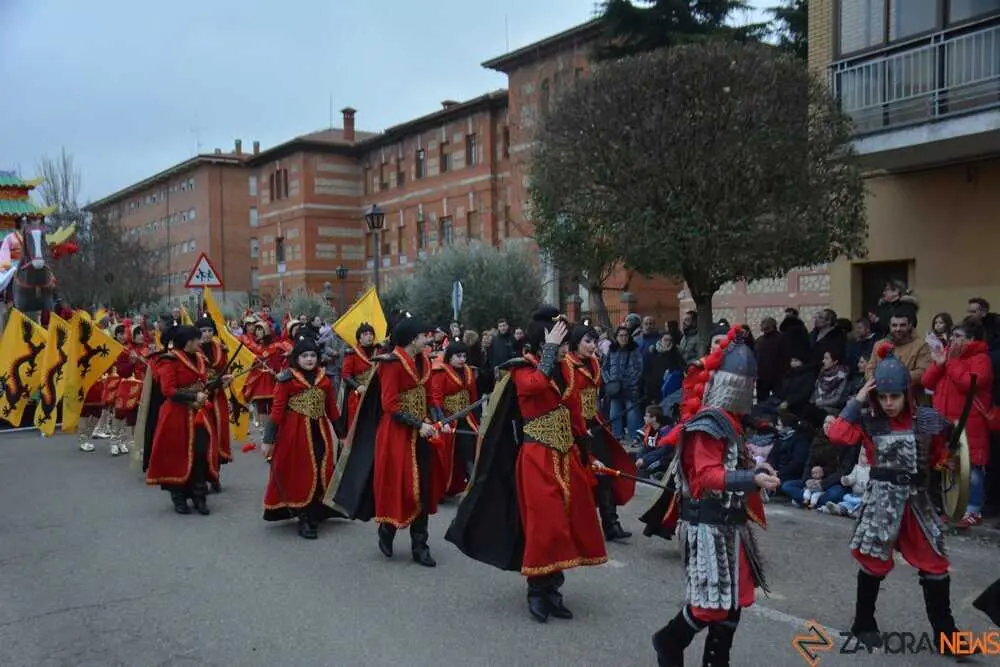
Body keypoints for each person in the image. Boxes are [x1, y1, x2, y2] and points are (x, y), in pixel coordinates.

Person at [447, 307, 608, 623]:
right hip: (537, 457)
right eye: (559, 342)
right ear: (543, 342)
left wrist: (586, 448)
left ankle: (554, 589)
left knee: (568, 523)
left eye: (564, 343)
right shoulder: (521, 368)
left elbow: (573, 409)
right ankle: (537, 589)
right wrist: (549, 349)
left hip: (565, 455)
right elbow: (533, 386)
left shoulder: (566, 368)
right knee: (545, 525)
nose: (565, 348)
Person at [826, 343, 969, 654]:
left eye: (895, 396)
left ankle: (947, 637)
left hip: (917, 502)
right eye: (883, 397)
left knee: (935, 565)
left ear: (907, 392)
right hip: (882, 502)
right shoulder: (868, 418)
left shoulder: (927, 419)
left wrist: (949, 463)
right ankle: (863, 624)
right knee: (873, 562)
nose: (889, 403)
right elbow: (837, 435)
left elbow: (944, 455)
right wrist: (859, 397)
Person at [652, 326, 778, 667]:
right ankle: (668, 641)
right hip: (708, 525)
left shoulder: (731, 421)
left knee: (735, 598)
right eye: (743, 382)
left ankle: (716, 660)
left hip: (731, 525)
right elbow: (707, 476)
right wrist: (751, 478)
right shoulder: (709, 424)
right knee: (709, 604)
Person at [369, 317, 438, 567]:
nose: (427, 339)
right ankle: (387, 530)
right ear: (412, 339)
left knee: (424, 487)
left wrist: (438, 418)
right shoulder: (392, 364)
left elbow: (429, 395)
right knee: (401, 486)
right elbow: (390, 405)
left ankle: (420, 544)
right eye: (423, 336)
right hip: (397, 434)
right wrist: (419, 424)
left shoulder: (425, 361)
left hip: (422, 432)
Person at [143, 325, 230, 515]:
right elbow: (168, 391)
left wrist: (218, 383)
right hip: (176, 415)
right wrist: (193, 397)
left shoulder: (200, 358)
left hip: (199, 415)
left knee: (200, 453)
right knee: (178, 455)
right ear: (188, 342)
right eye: (197, 339)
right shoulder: (169, 360)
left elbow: (202, 385)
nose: (201, 342)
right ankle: (179, 497)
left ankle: (199, 496)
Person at [262, 337, 342, 539]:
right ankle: (304, 517)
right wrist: (268, 440)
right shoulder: (286, 379)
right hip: (295, 433)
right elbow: (277, 411)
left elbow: (331, 408)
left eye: (313, 355)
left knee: (321, 466)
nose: (309, 359)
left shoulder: (324, 378)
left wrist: (342, 434)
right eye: (304, 356)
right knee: (302, 471)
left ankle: (318, 509)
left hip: (320, 431)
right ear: (296, 358)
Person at [562, 323, 635, 541]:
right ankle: (574, 525)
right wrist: (579, 429)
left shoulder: (594, 362)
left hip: (595, 424)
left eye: (594, 341)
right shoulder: (566, 365)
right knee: (578, 479)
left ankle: (611, 524)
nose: (593, 346)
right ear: (576, 342)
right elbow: (566, 401)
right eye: (588, 341)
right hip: (574, 429)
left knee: (606, 473)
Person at [429, 341, 479, 497]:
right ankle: (442, 489)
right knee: (446, 456)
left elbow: (474, 397)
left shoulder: (469, 372)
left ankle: (472, 486)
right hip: (448, 419)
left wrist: (476, 418)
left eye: (464, 356)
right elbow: (436, 398)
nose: (462, 359)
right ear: (449, 357)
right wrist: (441, 421)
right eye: (458, 356)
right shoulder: (440, 373)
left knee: (470, 451)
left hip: (467, 418)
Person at [196, 316, 232, 491]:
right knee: (204, 437)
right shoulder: (193, 352)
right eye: (203, 331)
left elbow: (226, 371)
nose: (207, 334)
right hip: (200, 399)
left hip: (218, 397)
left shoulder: (220, 349)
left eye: (209, 330)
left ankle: (215, 474)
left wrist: (226, 380)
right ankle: (203, 476)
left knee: (219, 435)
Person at [338, 323, 377, 436]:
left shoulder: (378, 351)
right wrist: (357, 386)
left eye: (371, 334)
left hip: (374, 393)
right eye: (365, 334)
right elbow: (345, 375)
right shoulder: (352, 353)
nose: (369, 336)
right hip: (357, 394)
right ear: (359, 338)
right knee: (356, 424)